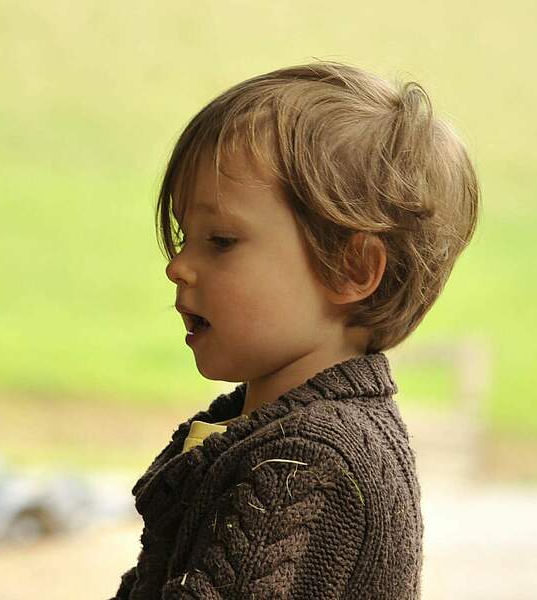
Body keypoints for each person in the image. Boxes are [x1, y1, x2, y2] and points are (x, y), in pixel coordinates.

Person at [114, 62, 480, 599]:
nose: (179, 265)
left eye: (219, 240)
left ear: (350, 269)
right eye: (181, 235)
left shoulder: (312, 459)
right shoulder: (262, 432)